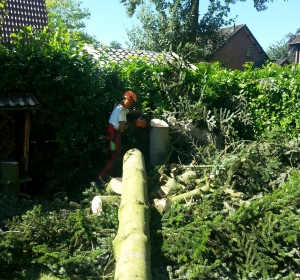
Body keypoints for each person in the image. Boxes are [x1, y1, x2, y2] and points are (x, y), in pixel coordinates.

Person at [95, 91, 140, 187]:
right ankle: (99, 179)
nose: (131, 105)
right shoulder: (120, 110)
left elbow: (130, 111)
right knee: (115, 158)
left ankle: (114, 177)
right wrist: (134, 124)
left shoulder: (122, 109)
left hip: (115, 135)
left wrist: (140, 113)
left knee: (117, 156)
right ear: (128, 101)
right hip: (112, 137)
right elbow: (122, 127)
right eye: (131, 103)